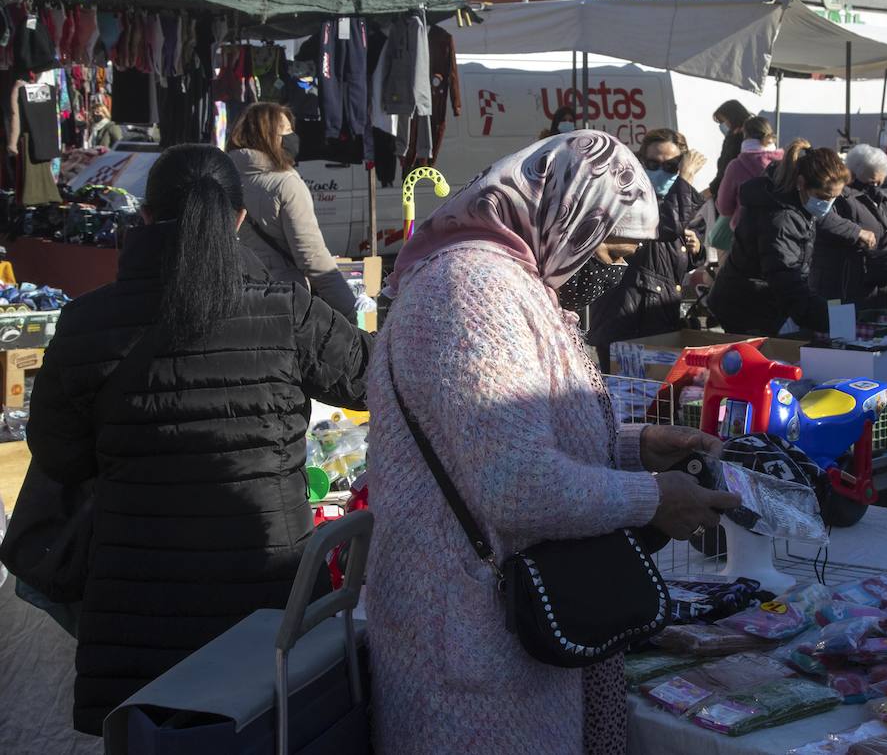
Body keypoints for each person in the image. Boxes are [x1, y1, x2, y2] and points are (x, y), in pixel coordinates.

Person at [366, 130, 738, 755]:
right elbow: (516, 485)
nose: (614, 272)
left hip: (497, 622)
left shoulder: (514, 280)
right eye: (612, 254)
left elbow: (512, 440)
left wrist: (633, 447)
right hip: (463, 637)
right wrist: (651, 499)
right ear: (570, 216)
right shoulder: (472, 291)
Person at [26, 145, 371, 734]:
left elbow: (58, 454)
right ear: (239, 218)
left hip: (135, 604)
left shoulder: (85, 322)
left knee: (151, 741)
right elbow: (373, 380)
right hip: (266, 593)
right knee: (264, 736)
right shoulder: (287, 310)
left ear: (144, 217)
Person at [227, 102, 357, 317]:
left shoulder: (220, 177)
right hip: (282, 301)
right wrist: (351, 309)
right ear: (267, 137)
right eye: (286, 131)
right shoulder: (285, 184)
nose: (292, 137)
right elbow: (313, 258)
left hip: (234, 298)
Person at [707, 146, 852, 335]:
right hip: (749, 306)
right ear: (801, 183)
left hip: (753, 301)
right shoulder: (781, 218)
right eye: (824, 197)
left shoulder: (793, 206)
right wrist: (829, 319)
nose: (828, 205)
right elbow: (785, 278)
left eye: (834, 198)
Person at [587, 128, 706, 351]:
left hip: (661, 316)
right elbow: (663, 227)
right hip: (624, 316)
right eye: (653, 164)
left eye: (670, 166)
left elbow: (682, 261)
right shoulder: (625, 194)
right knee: (624, 384)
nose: (660, 171)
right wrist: (686, 179)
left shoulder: (683, 202)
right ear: (641, 161)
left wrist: (697, 250)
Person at [812, 144, 887, 309]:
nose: (876, 187)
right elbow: (823, 221)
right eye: (871, 182)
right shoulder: (838, 197)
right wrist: (858, 233)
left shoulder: (883, 199)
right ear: (853, 175)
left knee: (880, 332)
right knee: (842, 332)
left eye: (880, 182)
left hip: (882, 289)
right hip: (845, 287)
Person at [716, 115, 784, 228]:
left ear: (745, 136)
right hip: (781, 231)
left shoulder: (736, 167)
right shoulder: (786, 164)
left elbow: (724, 208)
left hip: (747, 234)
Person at [708, 99, 752, 199]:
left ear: (733, 117)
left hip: (735, 195)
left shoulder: (743, 139)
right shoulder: (731, 137)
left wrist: (711, 190)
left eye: (723, 121)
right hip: (726, 190)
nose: (722, 125)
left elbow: (727, 170)